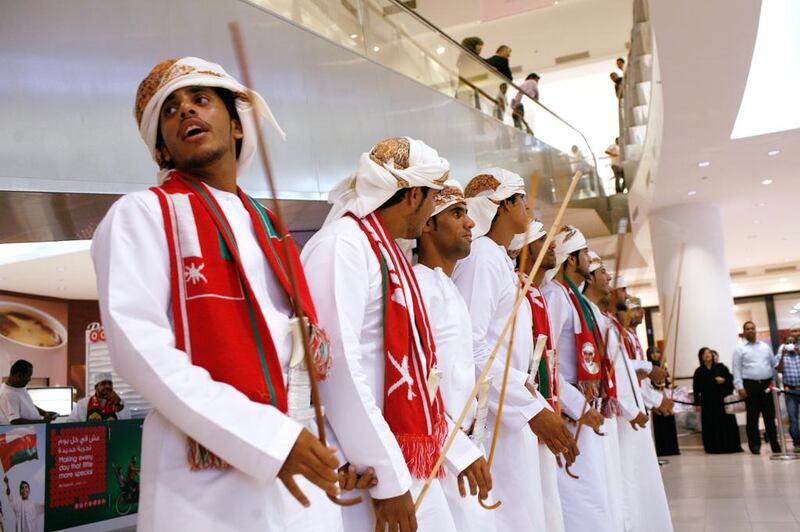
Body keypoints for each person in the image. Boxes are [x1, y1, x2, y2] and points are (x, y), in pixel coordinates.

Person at [91, 57, 346, 531]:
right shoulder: (141, 214)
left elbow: (300, 355)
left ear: (236, 125)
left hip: (300, 461)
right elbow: (140, 352)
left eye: (200, 100)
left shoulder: (268, 226)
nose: (186, 111)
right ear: (162, 149)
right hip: (205, 484)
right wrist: (268, 437)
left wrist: (326, 447)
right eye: (170, 111)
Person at [303, 137, 477, 532]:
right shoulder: (342, 246)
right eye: (433, 199)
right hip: (363, 465)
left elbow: (417, 373)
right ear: (414, 194)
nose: (433, 210)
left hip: (398, 454)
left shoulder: (386, 253)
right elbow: (336, 365)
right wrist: (384, 475)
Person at [453, 171, 576, 531]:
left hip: (513, 410)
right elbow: (472, 348)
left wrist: (532, 403)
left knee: (531, 513)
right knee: (511, 516)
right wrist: (529, 408)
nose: (528, 207)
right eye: (522, 199)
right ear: (503, 205)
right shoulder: (481, 259)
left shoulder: (498, 259)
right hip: (496, 418)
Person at [413, 181, 495, 532]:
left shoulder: (447, 287)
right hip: (438, 456)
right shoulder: (418, 286)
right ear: (427, 225)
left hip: (463, 448)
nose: (470, 223)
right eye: (457, 214)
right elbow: (421, 387)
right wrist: (459, 450)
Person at [541, 226, 615, 532]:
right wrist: (578, 407)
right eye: (584, 253)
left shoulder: (577, 300)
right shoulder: (555, 296)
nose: (589, 258)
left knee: (595, 495)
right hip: (570, 412)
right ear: (570, 260)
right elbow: (546, 360)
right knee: (581, 499)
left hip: (584, 408)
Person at [508, 220, 577, 532]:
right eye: (541, 239)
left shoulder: (534, 292)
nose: (551, 246)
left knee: (547, 502)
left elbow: (549, 361)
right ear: (524, 248)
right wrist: (535, 408)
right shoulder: (517, 288)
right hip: (522, 410)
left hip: (541, 404)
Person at [732, 321, 780, 454]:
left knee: (769, 416)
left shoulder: (765, 347)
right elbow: (736, 369)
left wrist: (776, 383)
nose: (751, 331)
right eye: (748, 329)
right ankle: (755, 445)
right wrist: (739, 387)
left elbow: (774, 364)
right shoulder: (739, 349)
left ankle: (775, 444)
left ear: (756, 330)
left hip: (766, 385)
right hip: (750, 386)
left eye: (753, 328)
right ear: (744, 331)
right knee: (752, 417)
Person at [694, 347, 742, 454]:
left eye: (708, 353)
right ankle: (713, 447)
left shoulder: (721, 367)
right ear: (701, 357)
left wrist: (724, 381)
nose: (707, 355)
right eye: (704, 354)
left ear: (712, 355)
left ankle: (730, 446)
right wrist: (697, 403)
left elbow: (731, 381)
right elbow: (696, 389)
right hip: (707, 402)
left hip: (721, 401)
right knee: (710, 424)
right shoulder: (699, 371)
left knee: (726, 423)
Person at [647, 347, 680, 456]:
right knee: (659, 422)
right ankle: (662, 449)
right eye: (653, 353)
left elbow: (667, 382)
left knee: (669, 418)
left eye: (658, 352)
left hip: (664, 395)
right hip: (655, 397)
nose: (655, 355)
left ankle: (672, 448)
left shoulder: (663, 367)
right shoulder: (648, 367)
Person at [0, 361, 56, 425]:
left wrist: (45, 413)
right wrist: (43, 422)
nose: (29, 379)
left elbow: (29, 404)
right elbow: (15, 421)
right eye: (28, 376)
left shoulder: (20, 386)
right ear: (19, 375)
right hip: (21, 433)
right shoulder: (7, 394)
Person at [776, 334, 800, 451]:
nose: (790, 344)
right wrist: (782, 355)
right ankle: (797, 444)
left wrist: (797, 352)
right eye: (788, 342)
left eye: (793, 342)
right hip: (790, 391)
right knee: (793, 418)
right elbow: (779, 370)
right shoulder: (782, 355)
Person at [457, 37, 485, 109]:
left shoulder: (464, 56)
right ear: (473, 45)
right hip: (467, 87)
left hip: (467, 87)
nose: (480, 50)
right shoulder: (468, 56)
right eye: (479, 47)